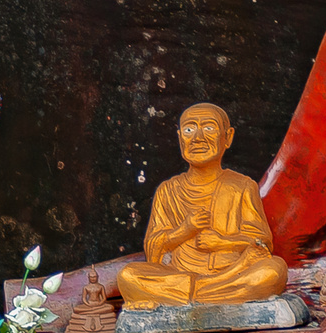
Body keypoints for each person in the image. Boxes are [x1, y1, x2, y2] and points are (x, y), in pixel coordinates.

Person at [118, 104, 290, 308]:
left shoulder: (242, 186)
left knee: (273, 270)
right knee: (129, 275)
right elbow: (153, 251)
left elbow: (261, 243)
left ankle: (190, 295)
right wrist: (184, 230)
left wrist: (223, 242)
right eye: (189, 130)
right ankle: (213, 294)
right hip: (182, 275)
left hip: (230, 272)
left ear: (228, 137)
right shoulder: (168, 190)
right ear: (180, 138)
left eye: (209, 128)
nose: (198, 137)